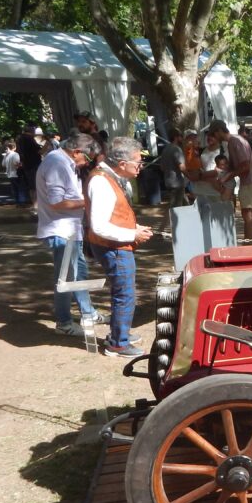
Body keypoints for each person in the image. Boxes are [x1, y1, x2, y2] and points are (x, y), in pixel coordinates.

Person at [85, 137, 154, 358]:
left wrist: (134, 227)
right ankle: (118, 344)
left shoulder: (110, 177)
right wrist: (132, 234)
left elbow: (113, 216)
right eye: (138, 163)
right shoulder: (102, 182)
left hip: (115, 245)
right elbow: (99, 226)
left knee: (123, 292)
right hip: (113, 248)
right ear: (122, 164)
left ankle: (119, 334)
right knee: (125, 294)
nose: (140, 167)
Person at [36, 133, 103, 336]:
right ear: (76, 152)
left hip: (70, 229)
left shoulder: (64, 162)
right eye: (88, 158)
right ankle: (64, 323)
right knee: (65, 278)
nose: (87, 164)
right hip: (61, 231)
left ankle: (88, 312)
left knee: (79, 273)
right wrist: (89, 201)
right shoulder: (57, 164)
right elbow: (57, 203)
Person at [206, 120, 252, 241]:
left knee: (247, 214)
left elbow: (245, 167)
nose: (213, 137)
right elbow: (234, 166)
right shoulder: (231, 142)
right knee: (246, 213)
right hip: (248, 180)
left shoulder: (236, 141)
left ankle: (249, 243)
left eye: (214, 134)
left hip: (251, 180)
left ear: (219, 131)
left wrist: (227, 177)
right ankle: (249, 241)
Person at [16, 124, 44, 203]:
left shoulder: (20, 139)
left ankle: (34, 203)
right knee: (35, 185)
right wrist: (46, 145)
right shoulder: (29, 139)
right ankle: (36, 204)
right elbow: (39, 151)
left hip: (26, 164)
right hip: (33, 164)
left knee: (31, 185)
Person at [159, 128, 187, 207]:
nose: (182, 138)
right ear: (176, 137)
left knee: (175, 204)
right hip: (177, 183)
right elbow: (182, 167)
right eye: (180, 136)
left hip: (168, 182)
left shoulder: (165, 149)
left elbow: (162, 167)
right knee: (177, 207)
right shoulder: (177, 149)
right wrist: (190, 176)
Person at [2, 139, 27, 207]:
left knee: (14, 189)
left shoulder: (6, 155)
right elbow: (16, 163)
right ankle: (22, 202)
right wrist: (22, 164)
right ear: (15, 147)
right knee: (20, 188)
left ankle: (17, 202)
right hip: (16, 174)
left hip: (9, 174)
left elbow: (3, 164)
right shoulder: (15, 154)